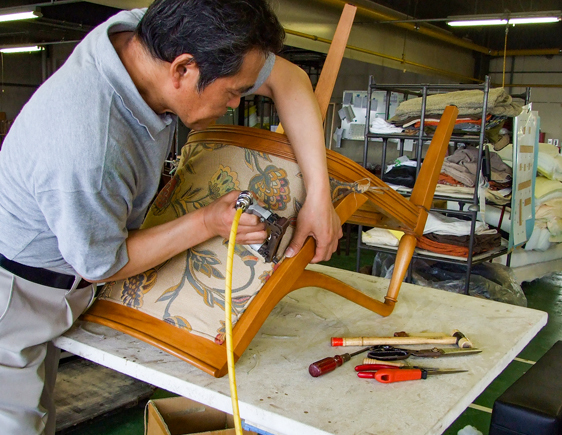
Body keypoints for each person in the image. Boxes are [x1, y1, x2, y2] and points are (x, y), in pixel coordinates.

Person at [0, 0, 342, 433]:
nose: (236, 103)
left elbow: (287, 77)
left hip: (62, 268)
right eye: (233, 91)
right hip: (17, 295)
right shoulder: (89, 147)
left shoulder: (150, 31)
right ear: (183, 70)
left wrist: (318, 197)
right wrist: (206, 222)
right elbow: (106, 264)